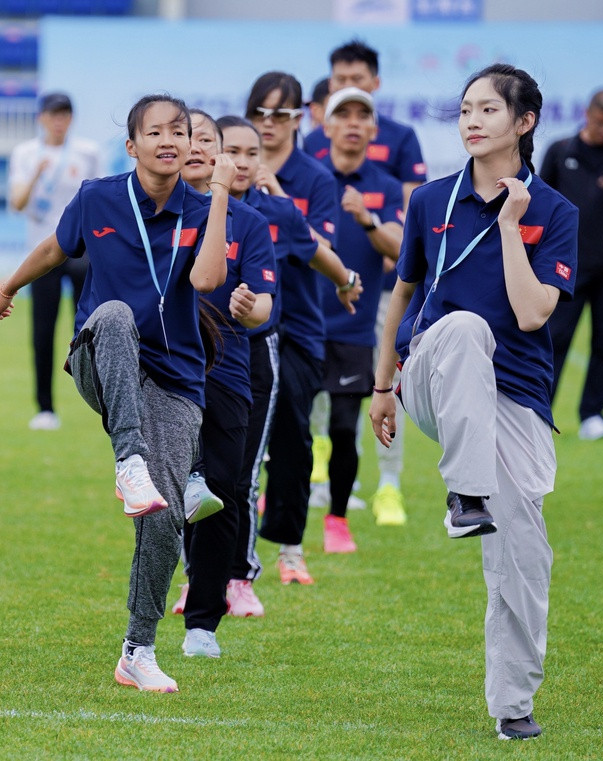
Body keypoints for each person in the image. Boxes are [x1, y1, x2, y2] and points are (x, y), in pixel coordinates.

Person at [0, 94, 234, 693]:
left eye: (179, 131)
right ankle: (129, 460)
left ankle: (137, 650)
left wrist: (222, 192)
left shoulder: (203, 208)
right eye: (155, 132)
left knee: (165, 519)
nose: (169, 140)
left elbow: (207, 280)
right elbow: (55, 247)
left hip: (175, 379)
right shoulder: (97, 196)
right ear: (132, 145)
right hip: (100, 355)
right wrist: (8, 286)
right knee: (117, 313)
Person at [370, 63, 577, 741]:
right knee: (463, 327)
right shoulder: (430, 200)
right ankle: (465, 494)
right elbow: (402, 294)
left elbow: (533, 313)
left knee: (525, 555)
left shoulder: (555, 212)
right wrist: (382, 387)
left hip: (515, 394)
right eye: (465, 110)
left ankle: (513, 705)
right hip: (436, 372)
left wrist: (513, 226)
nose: (472, 121)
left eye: (488, 109)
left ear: (524, 122)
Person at [213, 114, 357, 614]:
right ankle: (198, 576)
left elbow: (317, 250)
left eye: (252, 154)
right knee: (205, 469)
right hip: (204, 349)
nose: (244, 162)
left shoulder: (275, 212)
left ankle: (262, 563)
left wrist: (346, 281)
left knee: (273, 454)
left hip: (269, 341)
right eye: (234, 152)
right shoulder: (192, 208)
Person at [173, 109, 275, 659]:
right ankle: (171, 598)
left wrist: (247, 306)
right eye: (184, 136)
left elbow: (264, 306)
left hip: (228, 373)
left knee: (223, 492)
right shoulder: (152, 213)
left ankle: (202, 624)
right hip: (165, 369)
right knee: (172, 491)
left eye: (205, 138)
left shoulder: (249, 222)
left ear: (219, 153)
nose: (194, 146)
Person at [245, 71, 349, 585]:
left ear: (299, 118)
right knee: (232, 438)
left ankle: (289, 549)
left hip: (299, 326)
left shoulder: (314, 178)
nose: (269, 124)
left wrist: (279, 198)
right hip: (239, 326)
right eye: (260, 113)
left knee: (292, 433)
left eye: (281, 114)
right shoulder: (230, 174)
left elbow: (319, 248)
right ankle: (225, 557)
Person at [313, 88, 405, 545]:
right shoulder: (308, 176)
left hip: (354, 327)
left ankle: (338, 518)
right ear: (326, 126)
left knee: (345, 427)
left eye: (362, 116)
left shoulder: (385, 186)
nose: (352, 123)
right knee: (290, 426)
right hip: (303, 323)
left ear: (373, 130)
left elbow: (400, 248)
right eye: (343, 114)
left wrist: (367, 219)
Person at [7, 92, 102, 431]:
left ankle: (100, 399)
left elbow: (100, 199)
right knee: (42, 331)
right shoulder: (25, 153)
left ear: (71, 119)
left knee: (89, 329)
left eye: (64, 115)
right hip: (41, 252)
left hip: (81, 250)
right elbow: (17, 203)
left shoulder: (87, 152)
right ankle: (45, 408)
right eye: (52, 115)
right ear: (41, 118)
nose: (58, 121)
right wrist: (36, 174)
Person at [541, 90, 603, 440]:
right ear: (586, 113)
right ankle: (539, 409)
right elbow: (541, 203)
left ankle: (593, 414)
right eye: (599, 121)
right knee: (554, 339)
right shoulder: (561, 150)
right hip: (567, 265)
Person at [303, 39, 427, 205]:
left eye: (357, 79)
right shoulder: (312, 140)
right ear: (331, 84)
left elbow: (411, 203)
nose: (349, 87)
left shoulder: (402, 136)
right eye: (341, 79)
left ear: (376, 83)